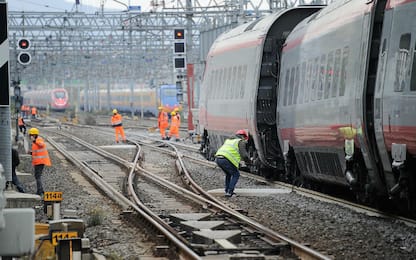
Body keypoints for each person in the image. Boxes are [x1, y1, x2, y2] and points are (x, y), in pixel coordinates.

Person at [215, 129, 251, 197]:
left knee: (228, 174)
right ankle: (230, 192)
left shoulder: (229, 140)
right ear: (243, 136)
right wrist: (249, 162)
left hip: (218, 158)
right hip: (226, 159)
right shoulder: (240, 141)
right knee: (236, 174)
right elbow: (244, 155)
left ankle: (227, 191)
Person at [28, 127, 51, 196]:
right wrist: (31, 153)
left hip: (40, 162)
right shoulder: (35, 141)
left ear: (34, 135)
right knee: (37, 176)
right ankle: (40, 190)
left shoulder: (39, 140)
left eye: (30, 135)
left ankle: (40, 191)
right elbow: (37, 152)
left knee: (38, 176)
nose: (29, 136)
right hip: (38, 161)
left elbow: (42, 144)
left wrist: (34, 141)